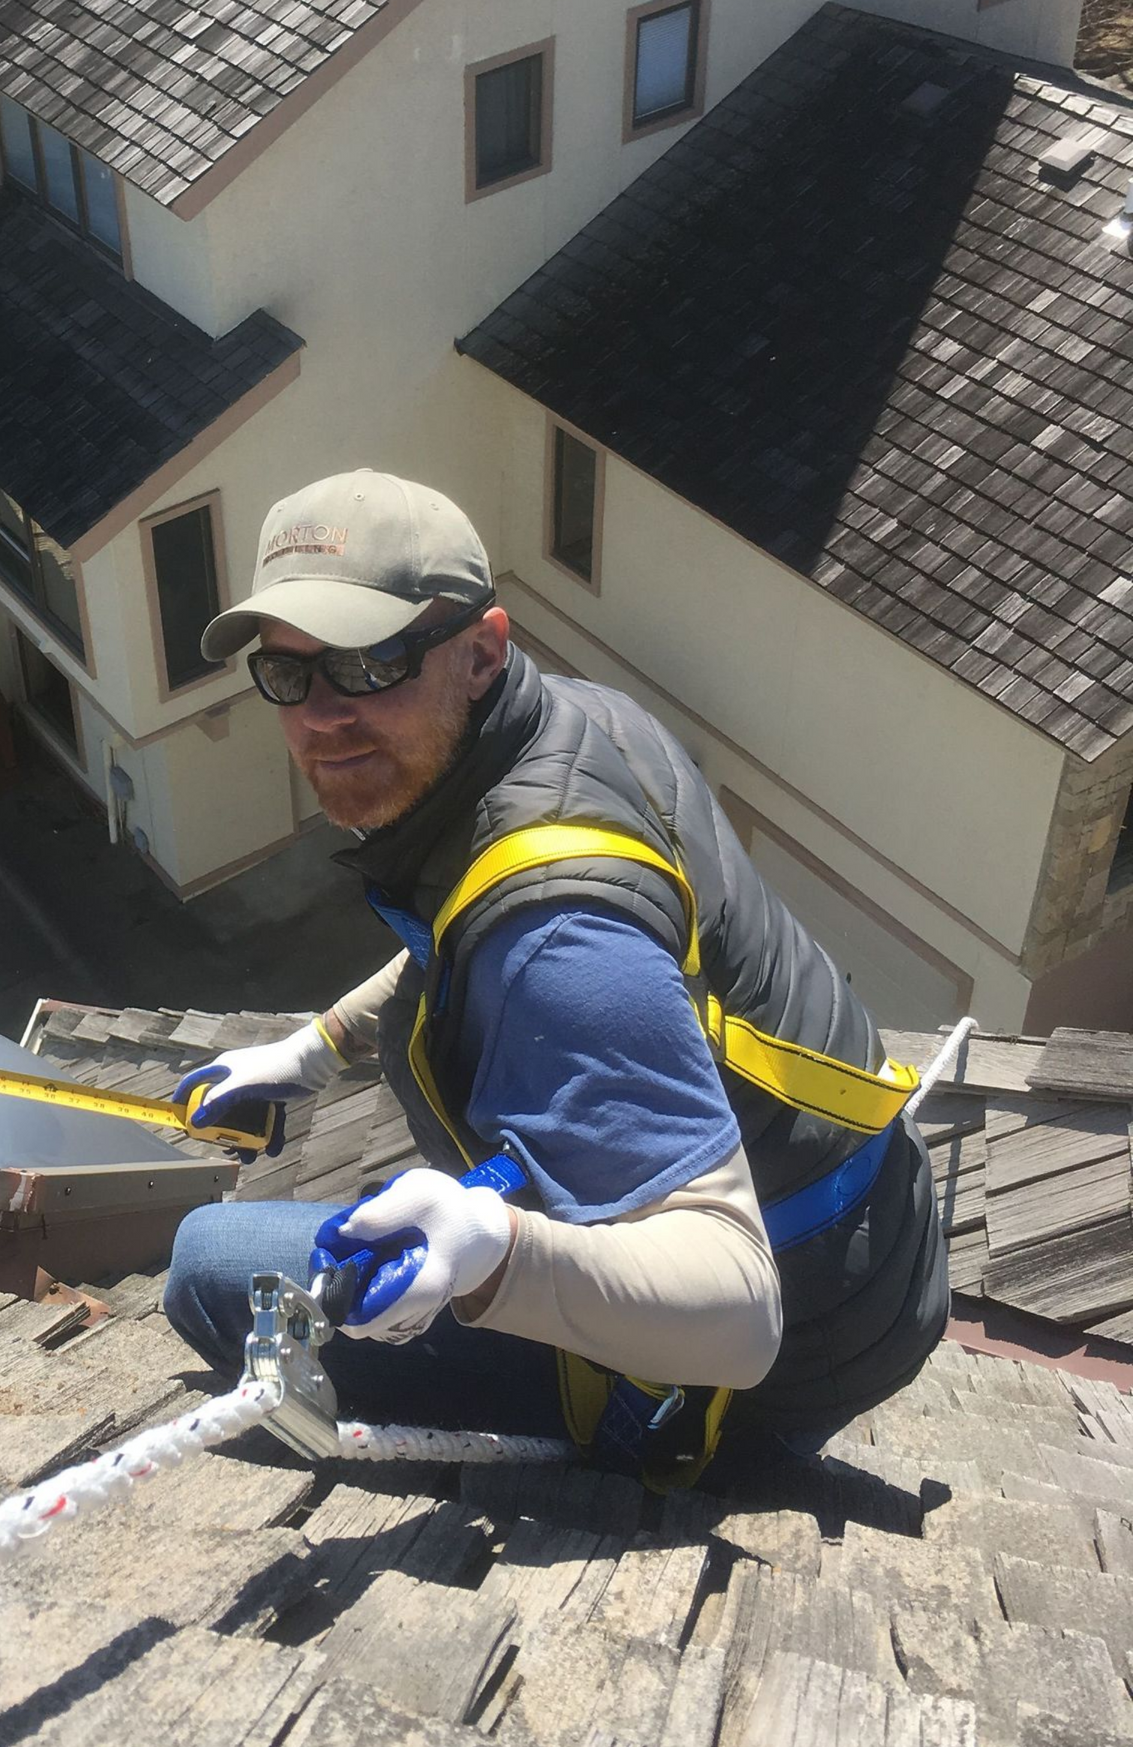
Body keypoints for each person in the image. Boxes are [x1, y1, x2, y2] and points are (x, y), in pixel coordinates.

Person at [163, 470, 947, 1488]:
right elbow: (455, 934)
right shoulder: (572, 725)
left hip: (783, 1339)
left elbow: (740, 1315)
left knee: (208, 1265)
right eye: (289, 675)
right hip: (874, 1239)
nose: (322, 717)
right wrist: (309, 1054)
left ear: (481, 652)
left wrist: (499, 1260)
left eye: (371, 664)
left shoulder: (559, 941)